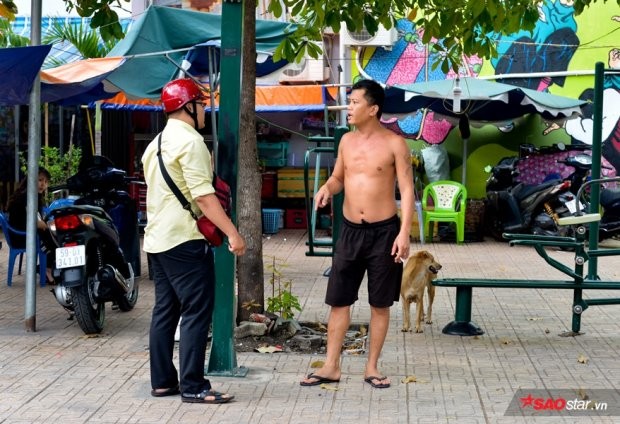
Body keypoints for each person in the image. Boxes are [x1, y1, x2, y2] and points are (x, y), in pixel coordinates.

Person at [300, 79, 414, 389]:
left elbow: (407, 190)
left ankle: (372, 367)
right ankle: (331, 365)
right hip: (349, 232)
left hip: (384, 233)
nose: (348, 107)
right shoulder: (346, 142)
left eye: (354, 102)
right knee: (339, 300)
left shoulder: (395, 144)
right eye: (349, 102)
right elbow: (338, 178)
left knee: (380, 304)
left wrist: (404, 234)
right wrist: (326, 188)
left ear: (373, 108)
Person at [141, 78, 246, 404]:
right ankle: (193, 385)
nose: (204, 110)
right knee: (197, 311)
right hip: (185, 241)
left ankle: (162, 382)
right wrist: (232, 232)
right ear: (189, 107)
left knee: (165, 311)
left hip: (157, 240)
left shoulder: (154, 145)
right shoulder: (191, 143)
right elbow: (203, 197)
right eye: (201, 104)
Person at [7, 166, 57, 284]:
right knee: (53, 236)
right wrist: (49, 225)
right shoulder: (27, 197)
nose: (42, 184)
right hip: (22, 237)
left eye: (45, 181)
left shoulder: (30, 194)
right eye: (40, 180)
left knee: (52, 232)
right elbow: (37, 223)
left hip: (25, 233)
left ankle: (46, 268)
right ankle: (47, 269)